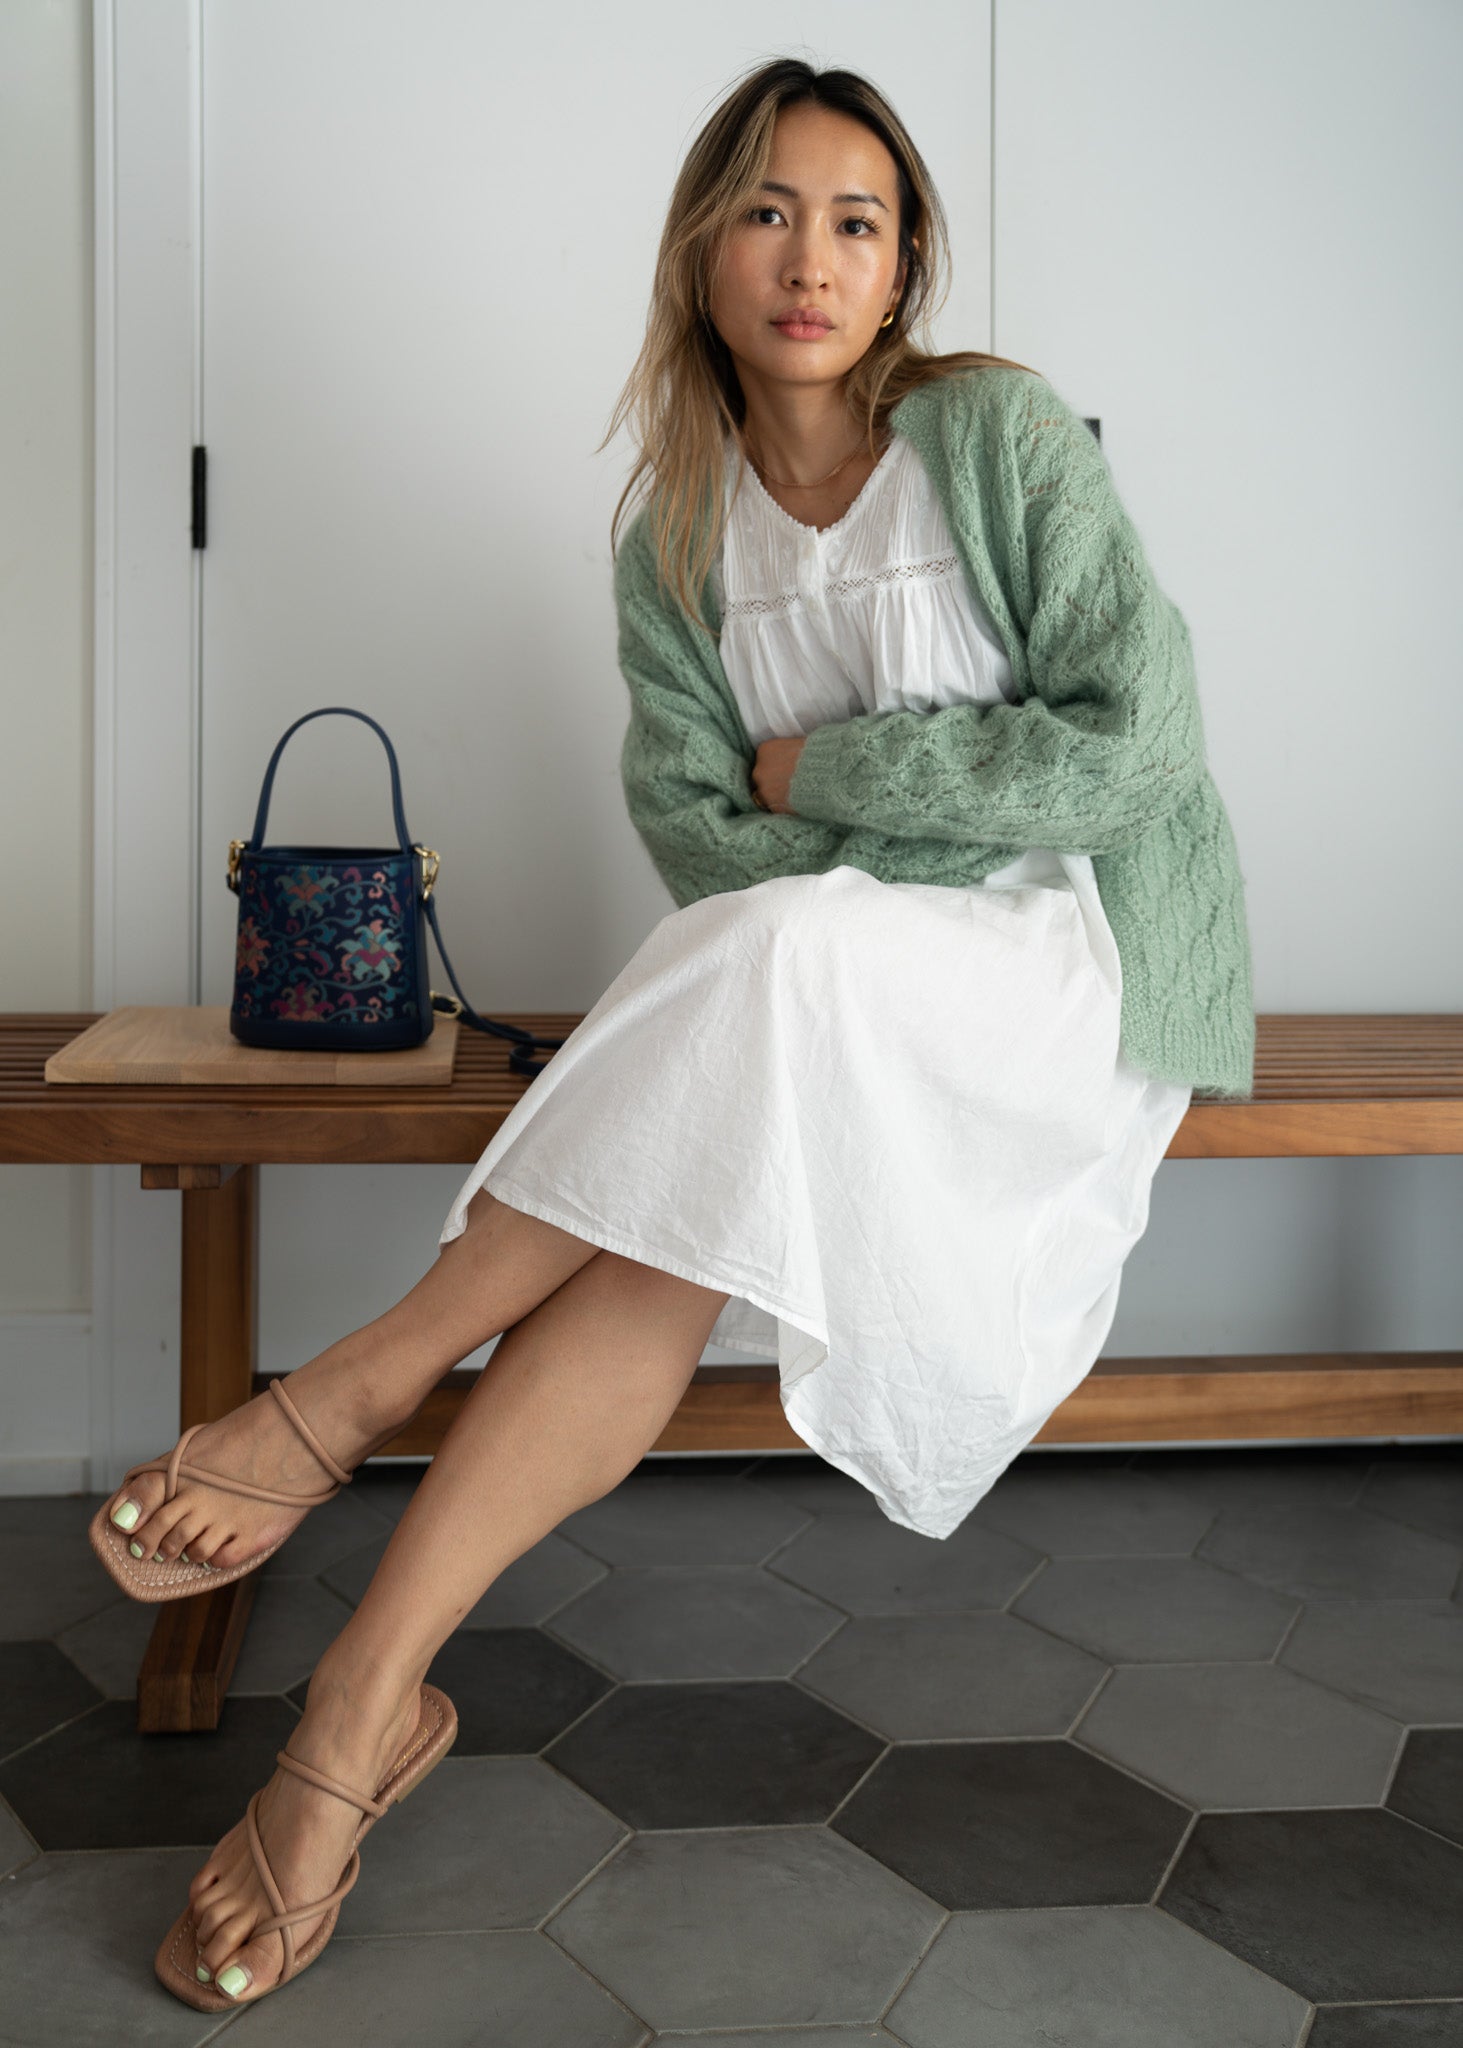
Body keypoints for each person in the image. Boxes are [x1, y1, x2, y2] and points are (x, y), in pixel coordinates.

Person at [90, 56, 1255, 2011]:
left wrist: (833, 775)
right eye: (772, 211)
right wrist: (837, 818)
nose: (814, 256)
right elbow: (701, 834)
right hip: (814, 977)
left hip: (1060, 964)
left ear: (906, 273)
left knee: (787, 943)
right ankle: (361, 1707)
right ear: (705, 250)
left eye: (860, 220)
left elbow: (1131, 754)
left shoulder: (1000, 434)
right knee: (689, 1155)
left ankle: (357, 1383)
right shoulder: (675, 529)